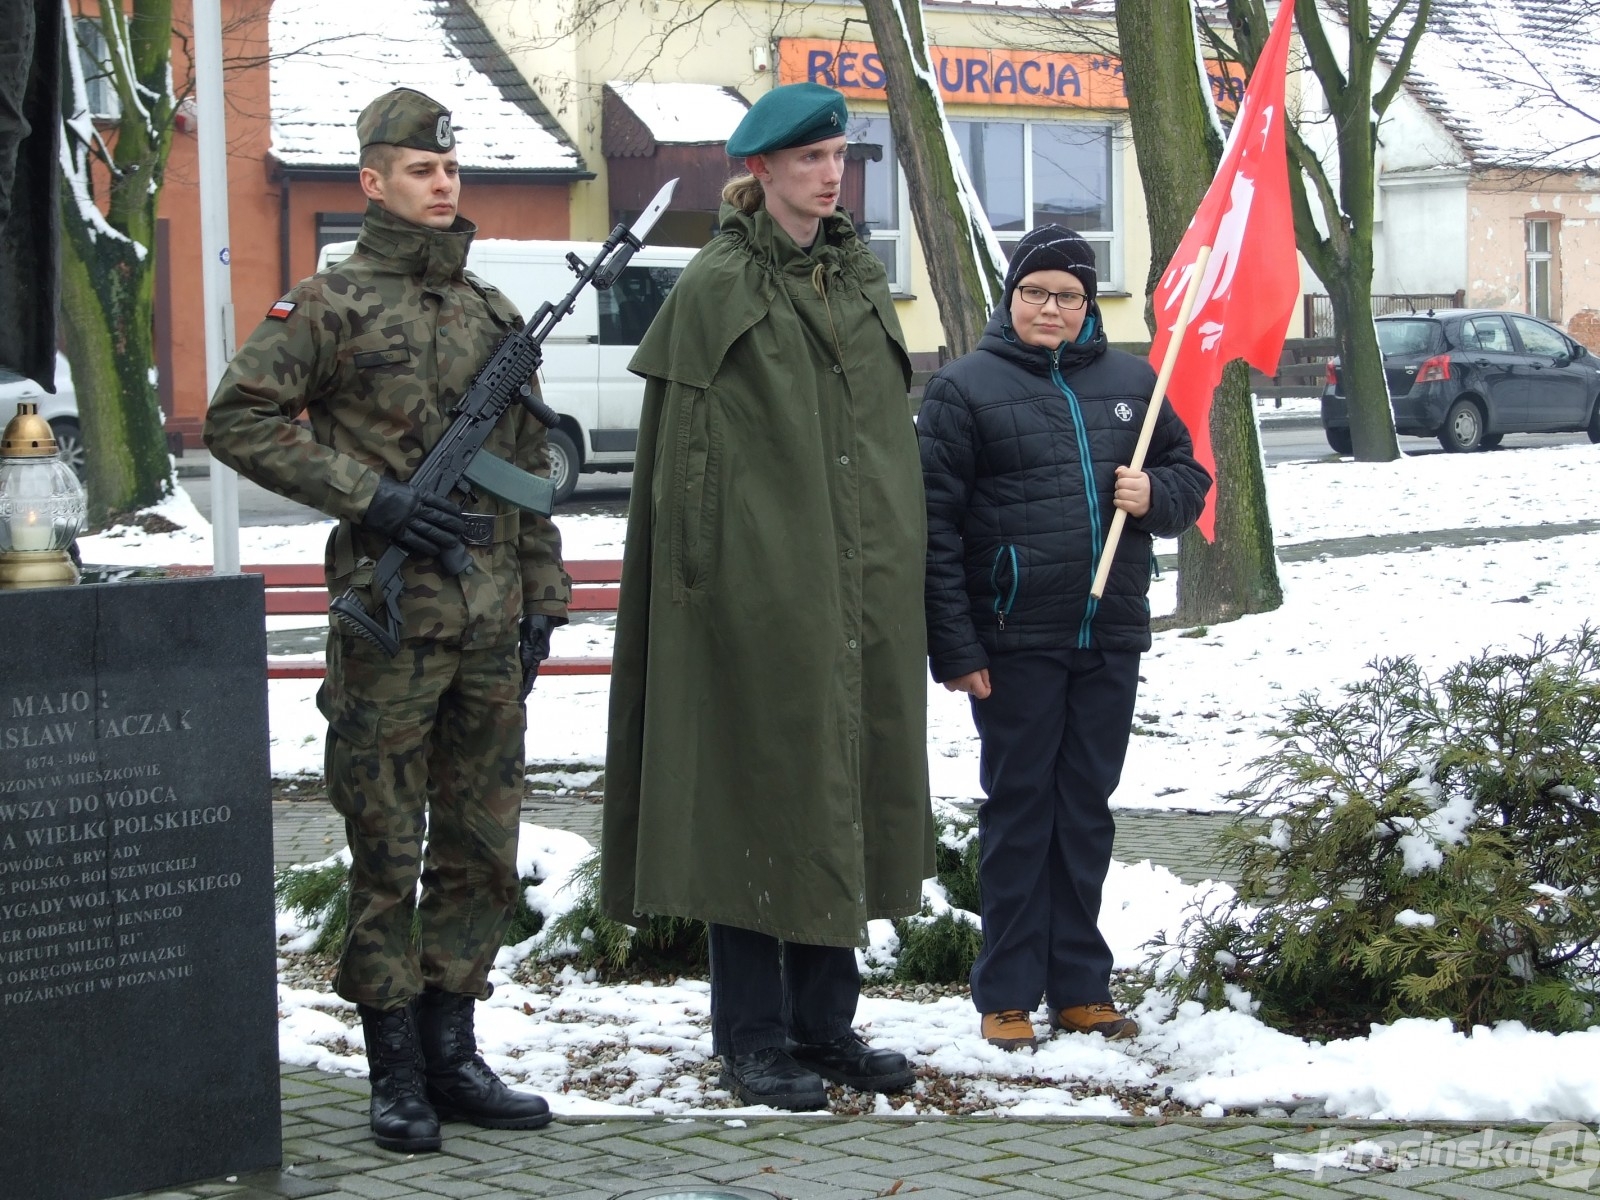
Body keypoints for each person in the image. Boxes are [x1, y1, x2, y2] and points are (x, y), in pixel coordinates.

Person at [205, 88, 570, 1152]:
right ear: (371, 180)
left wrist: (541, 601)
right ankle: (395, 1068)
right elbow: (239, 418)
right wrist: (372, 498)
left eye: (449, 168)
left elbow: (526, 482)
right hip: (391, 623)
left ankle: (456, 1053)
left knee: (481, 845)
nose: (440, 182)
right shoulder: (327, 306)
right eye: (418, 168)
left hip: (490, 623)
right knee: (384, 848)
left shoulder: (495, 315)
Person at [600, 82, 935, 1111]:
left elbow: (877, 442)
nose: (829, 174)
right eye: (808, 160)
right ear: (760, 172)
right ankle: (749, 1036)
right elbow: (685, 473)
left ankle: (824, 1027)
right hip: (752, 589)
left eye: (838, 156)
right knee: (751, 787)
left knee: (840, 784)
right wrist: (708, 598)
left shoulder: (857, 280)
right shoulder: (718, 287)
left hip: (858, 586)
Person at [917, 225, 1211, 1051]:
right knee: (1020, 813)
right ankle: (1006, 989)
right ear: (1011, 297)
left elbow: (1191, 477)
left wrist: (1155, 491)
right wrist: (957, 647)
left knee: (1084, 812)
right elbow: (934, 530)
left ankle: (1081, 982)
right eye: (1037, 292)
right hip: (1015, 640)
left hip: (1108, 632)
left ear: (1090, 306)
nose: (1053, 308)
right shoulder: (963, 390)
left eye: (1070, 296)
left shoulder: (1134, 384)